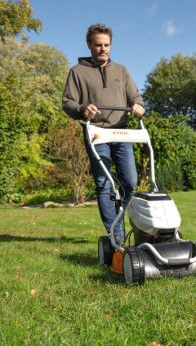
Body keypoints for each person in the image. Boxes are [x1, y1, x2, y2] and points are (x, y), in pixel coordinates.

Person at [62, 23, 145, 244]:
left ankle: (120, 217)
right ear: (89, 45)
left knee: (130, 181)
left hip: (121, 132)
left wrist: (137, 105)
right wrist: (82, 109)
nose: (103, 49)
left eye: (106, 45)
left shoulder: (121, 70)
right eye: (98, 45)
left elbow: (135, 97)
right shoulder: (77, 72)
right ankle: (115, 234)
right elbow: (67, 102)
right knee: (103, 183)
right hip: (96, 132)